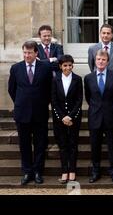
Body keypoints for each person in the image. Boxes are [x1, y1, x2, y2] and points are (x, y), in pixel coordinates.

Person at [8, 41, 53, 185]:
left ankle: (38, 171)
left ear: (36, 53)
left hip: (40, 112)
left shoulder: (45, 68)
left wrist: (41, 103)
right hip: (22, 113)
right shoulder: (16, 68)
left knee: (40, 144)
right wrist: (22, 102)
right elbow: (12, 89)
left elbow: (49, 89)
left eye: (29, 53)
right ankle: (27, 172)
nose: (27, 55)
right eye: (25, 53)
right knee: (24, 144)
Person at [84, 49, 113, 183]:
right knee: (95, 145)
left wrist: (111, 108)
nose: (101, 62)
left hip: (111, 115)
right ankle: (96, 171)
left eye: (103, 60)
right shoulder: (88, 78)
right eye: (98, 59)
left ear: (107, 62)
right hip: (95, 116)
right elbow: (89, 98)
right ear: (95, 61)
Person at [51, 55, 83, 184]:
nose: (67, 68)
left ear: (72, 66)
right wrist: (62, 117)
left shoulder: (77, 79)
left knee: (73, 144)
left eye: (70, 65)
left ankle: (72, 171)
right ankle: (64, 171)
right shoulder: (55, 79)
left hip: (74, 117)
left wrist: (70, 116)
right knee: (63, 145)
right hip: (59, 118)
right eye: (65, 65)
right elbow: (53, 100)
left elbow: (79, 100)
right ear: (60, 66)